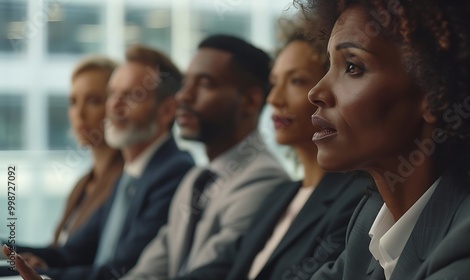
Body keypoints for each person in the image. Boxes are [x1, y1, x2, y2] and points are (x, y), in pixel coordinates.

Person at [289, 0, 470, 279]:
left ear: (434, 92)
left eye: (352, 67)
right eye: (330, 65)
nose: (316, 92)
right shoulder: (373, 217)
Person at [177, 28, 372, 280]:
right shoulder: (280, 197)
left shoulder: (357, 199)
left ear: (329, 88)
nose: (274, 99)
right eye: (274, 83)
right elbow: (218, 269)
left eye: (296, 81)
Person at [6, 45, 195, 280]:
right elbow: (72, 254)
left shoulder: (174, 173)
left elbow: (120, 271)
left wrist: (44, 274)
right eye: (113, 94)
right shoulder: (131, 174)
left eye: (131, 96)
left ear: (167, 110)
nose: (114, 106)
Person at [120, 34, 290, 280]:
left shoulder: (264, 179)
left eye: (205, 83)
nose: (183, 97)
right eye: (186, 83)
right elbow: (148, 271)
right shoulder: (195, 178)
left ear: (250, 101)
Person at [52, 56, 123, 247]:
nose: (79, 113)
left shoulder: (126, 180)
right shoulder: (82, 184)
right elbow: (54, 252)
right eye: (73, 102)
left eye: (93, 101)